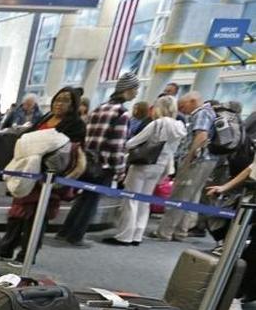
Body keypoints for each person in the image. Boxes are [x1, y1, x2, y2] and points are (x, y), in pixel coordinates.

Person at [0, 86, 88, 263]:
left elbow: (69, 152)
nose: (59, 103)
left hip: (49, 179)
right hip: (28, 173)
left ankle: (27, 255)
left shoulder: (76, 125)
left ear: (73, 104)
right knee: (17, 214)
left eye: (65, 100)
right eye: (57, 99)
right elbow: (27, 138)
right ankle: (6, 248)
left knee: (37, 218)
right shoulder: (45, 118)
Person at [54, 71, 139, 247]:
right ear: (128, 90)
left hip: (87, 161)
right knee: (91, 200)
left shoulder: (99, 108)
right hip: (104, 164)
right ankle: (75, 236)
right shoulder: (121, 114)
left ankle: (65, 231)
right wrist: (120, 171)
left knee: (83, 198)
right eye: (135, 89)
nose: (136, 93)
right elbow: (118, 145)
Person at [104, 95, 186, 246]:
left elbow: (131, 143)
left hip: (143, 164)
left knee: (131, 199)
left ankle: (124, 235)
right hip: (160, 166)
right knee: (145, 201)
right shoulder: (180, 127)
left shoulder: (157, 124)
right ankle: (137, 235)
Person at [151, 91, 220, 241]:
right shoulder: (209, 112)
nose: (182, 110)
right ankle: (180, 232)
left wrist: (188, 159)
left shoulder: (201, 113)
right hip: (207, 161)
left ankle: (165, 232)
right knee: (190, 198)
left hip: (197, 162)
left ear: (193, 101)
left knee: (179, 196)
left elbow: (201, 137)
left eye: (183, 106)